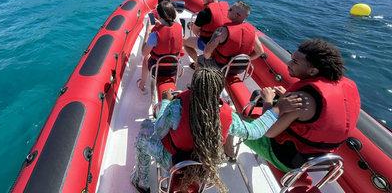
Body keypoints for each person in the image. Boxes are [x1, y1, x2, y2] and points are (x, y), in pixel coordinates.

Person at [130, 66, 303, 193]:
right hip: (205, 167)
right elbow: (256, 131)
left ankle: (141, 182)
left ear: (193, 87)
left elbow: (159, 132)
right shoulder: (229, 115)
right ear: (218, 91)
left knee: (145, 128)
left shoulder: (176, 108)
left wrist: (166, 101)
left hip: (174, 161)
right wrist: (277, 109)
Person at [242, 39, 361, 172]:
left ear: (312, 72)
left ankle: (229, 153)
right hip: (319, 160)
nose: (288, 63)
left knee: (235, 120)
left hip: (288, 159)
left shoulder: (302, 99)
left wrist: (268, 100)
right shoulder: (347, 85)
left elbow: (267, 131)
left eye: (295, 62)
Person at [198, 0, 264, 69]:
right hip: (238, 68)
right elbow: (260, 52)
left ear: (235, 15)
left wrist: (209, 57)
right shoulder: (252, 31)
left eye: (230, 9)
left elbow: (206, 52)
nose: (228, 9)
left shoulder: (221, 31)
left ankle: (199, 78)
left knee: (199, 60)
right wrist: (244, 60)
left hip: (221, 66)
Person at [137, 1, 183, 94]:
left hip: (158, 69)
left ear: (160, 16)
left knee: (146, 57)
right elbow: (169, 35)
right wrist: (161, 26)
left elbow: (144, 53)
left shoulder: (154, 35)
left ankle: (142, 85)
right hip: (174, 68)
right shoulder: (180, 29)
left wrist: (148, 32)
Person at [183, 0, 229, 69]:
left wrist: (193, 25)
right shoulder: (227, 9)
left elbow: (195, 31)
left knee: (184, 41)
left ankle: (197, 61)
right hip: (224, 44)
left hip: (208, 43)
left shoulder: (204, 12)